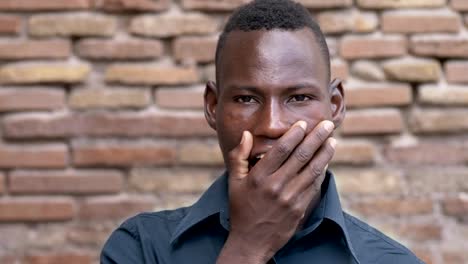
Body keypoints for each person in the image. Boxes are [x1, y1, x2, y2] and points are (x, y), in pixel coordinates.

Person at [100, 0, 424, 263]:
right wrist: (248, 246)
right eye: (246, 98)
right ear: (213, 106)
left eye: (298, 97)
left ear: (335, 105)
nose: (272, 125)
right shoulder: (141, 249)